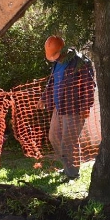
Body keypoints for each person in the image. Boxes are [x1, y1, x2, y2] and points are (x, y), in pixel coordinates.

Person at [40, 35, 95, 180]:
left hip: (74, 109)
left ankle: (73, 174)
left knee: (68, 141)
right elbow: (52, 82)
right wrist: (44, 98)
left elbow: (89, 86)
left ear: (62, 49)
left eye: (55, 54)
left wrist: (85, 106)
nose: (54, 58)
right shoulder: (57, 63)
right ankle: (67, 167)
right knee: (54, 137)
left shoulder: (80, 62)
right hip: (59, 108)